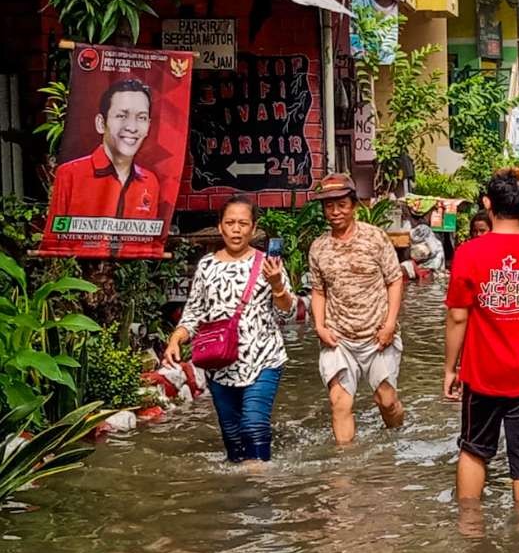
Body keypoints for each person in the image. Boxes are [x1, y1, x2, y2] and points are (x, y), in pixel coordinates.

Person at [444, 168, 519, 502]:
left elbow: (457, 317)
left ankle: (469, 529)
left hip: (481, 374)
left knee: (473, 450)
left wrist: (450, 369)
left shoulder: (469, 253)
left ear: (487, 203)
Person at [164, 195, 295, 463]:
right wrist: (176, 339)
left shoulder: (268, 265)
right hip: (219, 362)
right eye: (230, 223)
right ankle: (240, 495)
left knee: (253, 426)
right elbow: (194, 312)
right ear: (220, 227)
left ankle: (261, 490)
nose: (236, 229)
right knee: (233, 438)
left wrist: (277, 284)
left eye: (243, 223)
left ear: (253, 228)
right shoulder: (207, 266)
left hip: (263, 359)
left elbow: (287, 310)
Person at [308, 173, 406, 443]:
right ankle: (345, 471)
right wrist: (319, 326)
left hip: (378, 336)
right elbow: (318, 291)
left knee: (386, 401)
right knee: (339, 403)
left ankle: (397, 438)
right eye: (329, 206)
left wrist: (389, 325)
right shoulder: (318, 248)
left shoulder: (375, 238)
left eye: (341, 205)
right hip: (338, 338)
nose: (335, 212)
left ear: (354, 205)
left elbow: (395, 281)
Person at [43, 79, 161, 256]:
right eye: (121, 116)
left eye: (141, 118)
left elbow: (148, 248)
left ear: (148, 127)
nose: (131, 127)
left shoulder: (150, 182)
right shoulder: (71, 174)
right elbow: (52, 244)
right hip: (80, 278)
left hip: (128, 280)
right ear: (100, 123)